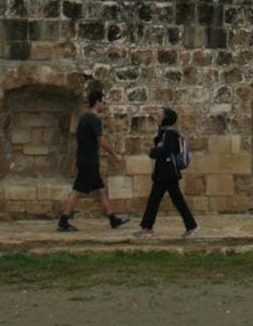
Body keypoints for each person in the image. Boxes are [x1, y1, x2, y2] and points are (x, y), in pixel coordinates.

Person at [57, 86, 126, 231]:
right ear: (97, 102)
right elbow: (101, 142)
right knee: (77, 192)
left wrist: (76, 160)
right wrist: (115, 155)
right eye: (103, 102)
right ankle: (63, 221)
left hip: (86, 160)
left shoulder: (83, 119)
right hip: (89, 162)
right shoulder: (93, 120)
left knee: (100, 190)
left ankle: (113, 219)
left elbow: (81, 142)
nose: (104, 105)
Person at [136, 106, 199, 239]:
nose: (157, 118)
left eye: (159, 116)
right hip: (163, 174)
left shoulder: (170, 134)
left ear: (166, 118)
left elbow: (166, 150)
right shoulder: (164, 134)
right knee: (158, 200)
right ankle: (147, 227)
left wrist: (153, 151)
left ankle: (191, 226)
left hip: (168, 174)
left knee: (170, 201)